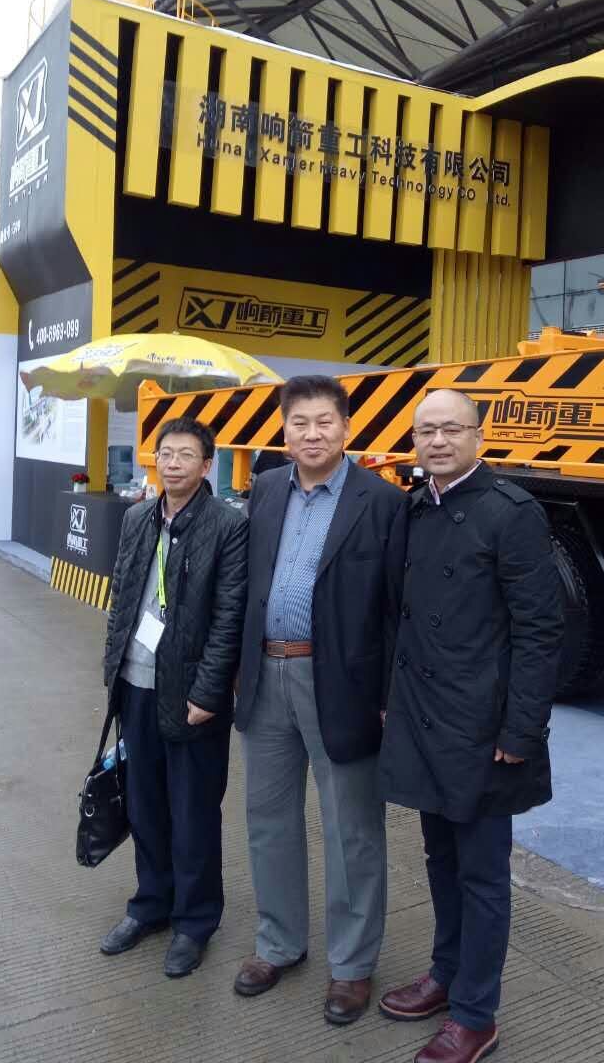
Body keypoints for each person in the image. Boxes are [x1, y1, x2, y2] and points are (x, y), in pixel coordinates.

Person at [377, 389, 563, 1063]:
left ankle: (476, 1015)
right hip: (424, 715)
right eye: (426, 431)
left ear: (478, 435)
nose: (437, 441)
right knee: (440, 857)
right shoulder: (414, 508)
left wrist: (521, 731)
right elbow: (398, 617)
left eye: (451, 429)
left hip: (483, 726)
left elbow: (541, 630)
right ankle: (445, 974)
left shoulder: (512, 513)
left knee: (482, 874)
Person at [234, 376, 407, 1027]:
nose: (312, 434)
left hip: (342, 683)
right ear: (284, 430)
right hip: (265, 675)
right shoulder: (266, 489)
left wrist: (387, 697)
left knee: (351, 829)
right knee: (267, 818)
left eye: (324, 422)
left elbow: (395, 610)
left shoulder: (382, 502)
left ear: (347, 428)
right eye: (300, 423)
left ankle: (352, 965)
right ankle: (278, 943)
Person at [101, 417, 247, 978]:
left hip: (192, 696)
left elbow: (229, 617)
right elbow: (121, 597)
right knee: (144, 805)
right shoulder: (138, 517)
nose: (174, 463)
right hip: (137, 685)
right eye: (165, 453)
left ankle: (195, 921)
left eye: (187, 454)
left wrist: (208, 692)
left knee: (193, 811)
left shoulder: (228, 526)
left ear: (207, 465)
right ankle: (150, 905)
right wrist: (113, 671)